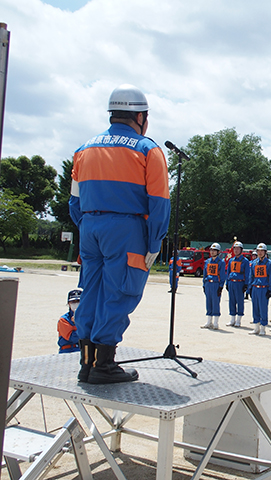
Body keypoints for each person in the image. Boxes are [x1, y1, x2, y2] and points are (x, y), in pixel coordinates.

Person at [69, 84, 170, 384]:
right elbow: (160, 202)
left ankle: (86, 364)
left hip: (89, 227)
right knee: (119, 293)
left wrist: (87, 227)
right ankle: (104, 366)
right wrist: (154, 242)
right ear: (140, 117)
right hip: (126, 230)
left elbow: (74, 202)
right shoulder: (147, 150)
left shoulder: (84, 149)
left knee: (91, 293)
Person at [249, 243, 271, 336]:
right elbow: (251, 276)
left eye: (261, 251)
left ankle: (263, 328)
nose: (260, 253)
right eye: (258, 251)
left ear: (265, 252)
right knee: (255, 308)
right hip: (255, 287)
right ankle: (256, 327)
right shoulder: (254, 263)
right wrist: (250, 288)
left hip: (264, 289)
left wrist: (270, 290)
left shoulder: (270, 264)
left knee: (263, 308)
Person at [201, 243, 227, 330]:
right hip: (208, 283)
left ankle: (215, 322)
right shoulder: (207, 261)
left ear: (218, 252)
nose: (212, 252)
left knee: (216, 302)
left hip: (216, 283)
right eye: (211, 250)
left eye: (214, 250)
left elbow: (223, 275)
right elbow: (205, 274)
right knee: (208, 302)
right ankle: (209, 321)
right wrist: (204, 284)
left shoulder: (221, 262)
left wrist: (221, 286)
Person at [225, 241, 250, 327]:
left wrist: (246, 284)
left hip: (240, 283)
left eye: (238, 249)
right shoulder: (231, 260)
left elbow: (247, 274)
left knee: (240, 301)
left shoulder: (245, 261)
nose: (236, 250)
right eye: (235, 249)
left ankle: (238, 320)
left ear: (241, 250)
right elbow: (228, 272)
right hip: (232, 282)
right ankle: (232, 319)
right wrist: (227, 282)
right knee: (231, 301)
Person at [58, 289, 82, 353]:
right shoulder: (63, 320)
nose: (76, 304)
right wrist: (78, 324)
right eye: (73, 302)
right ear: (69, 304)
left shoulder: (90, 317)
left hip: (84, 349)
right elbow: (73, 338)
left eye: (78, 301)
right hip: (68, 350)